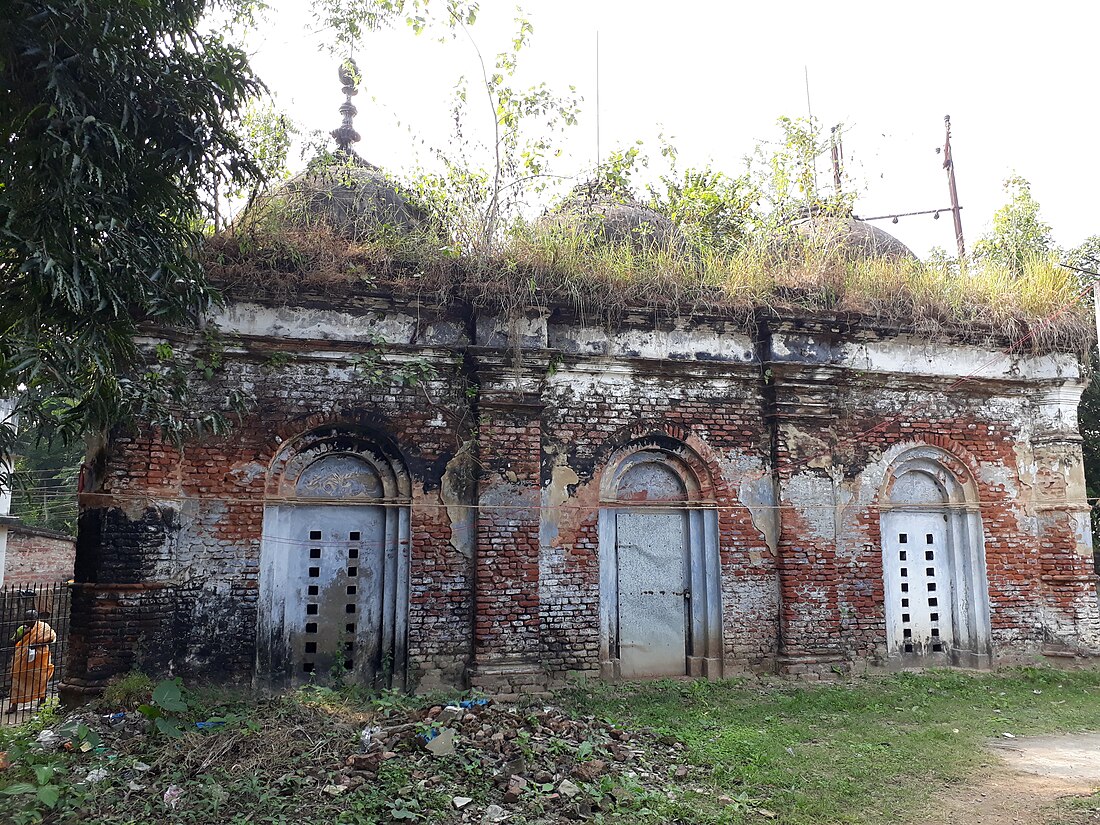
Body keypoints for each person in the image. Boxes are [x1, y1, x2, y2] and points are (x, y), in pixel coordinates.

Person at [7, 610, 56, 714]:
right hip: (23, 657)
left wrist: (37, 644)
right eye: (27, 618)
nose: (29, 620)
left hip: (40, 657)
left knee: (41, 678)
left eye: (31, 618)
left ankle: (42, 700)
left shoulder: (44, 627)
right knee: (17, 678)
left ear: (36, 618)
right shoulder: (22, 628)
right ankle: (14, 705)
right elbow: (12, 642)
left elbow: (52, 639)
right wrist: (24, 634)